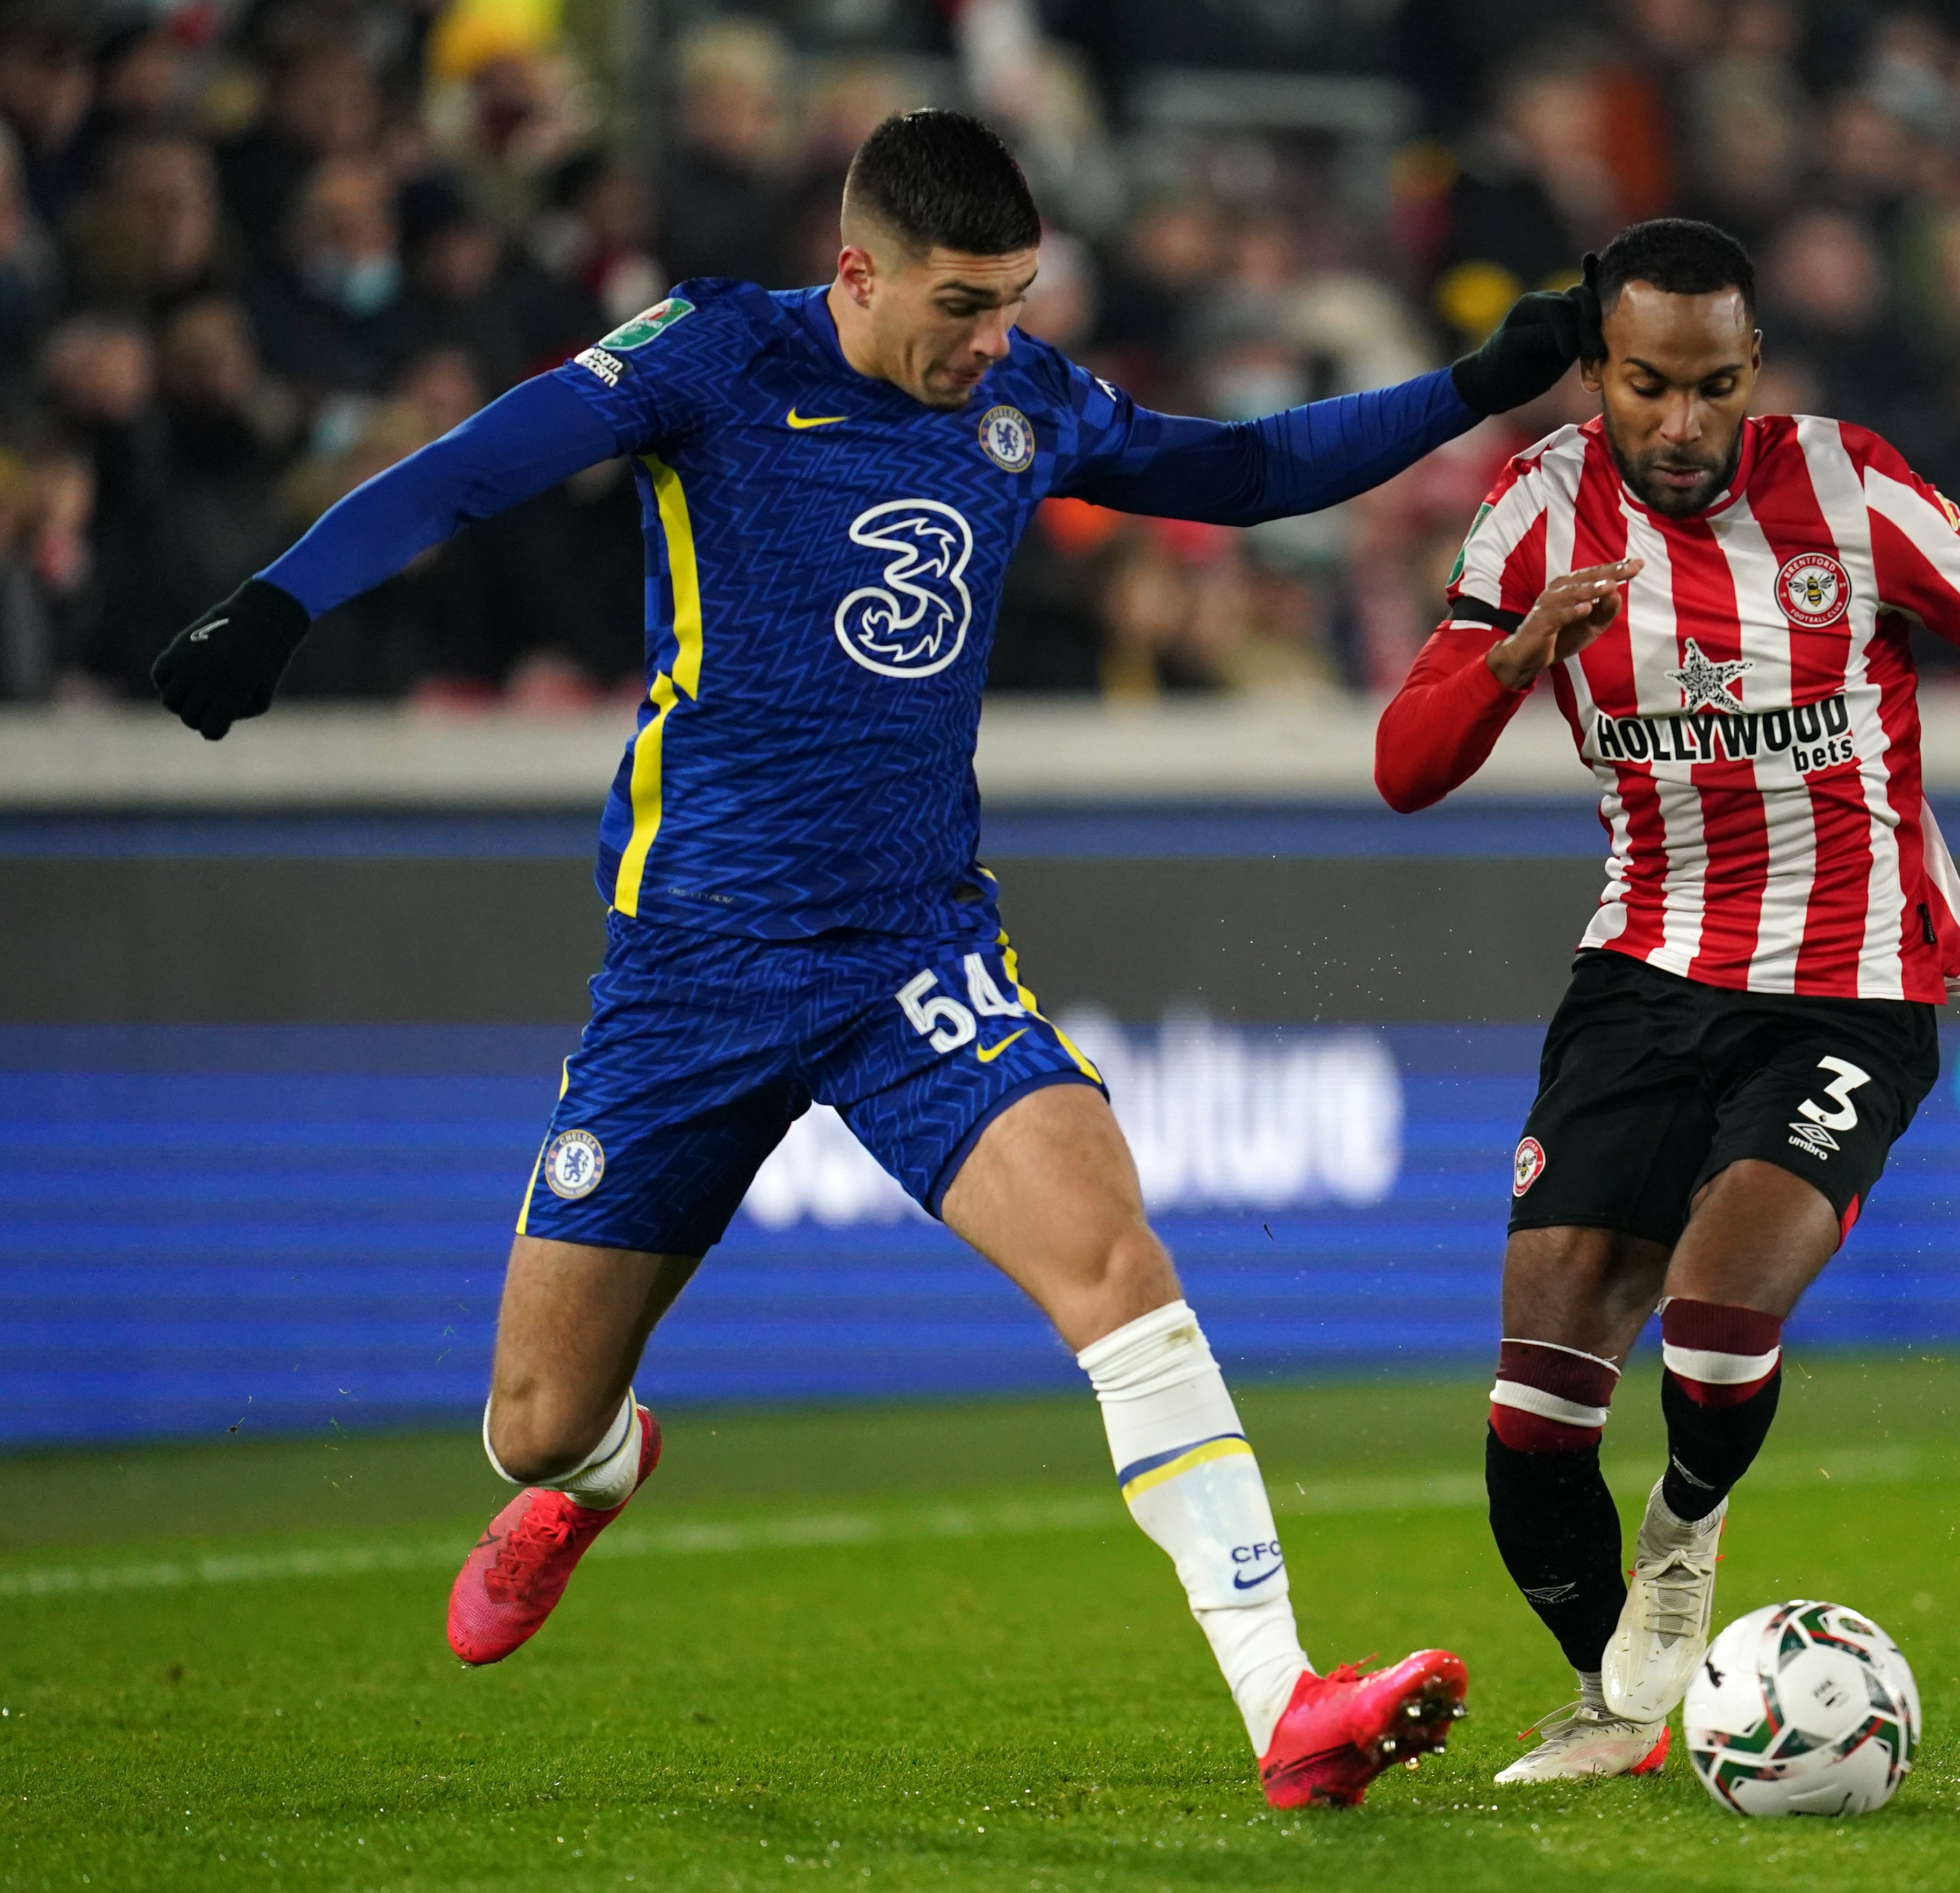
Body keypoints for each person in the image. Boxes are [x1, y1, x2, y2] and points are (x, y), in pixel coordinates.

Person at [148, 109, 1595, 1811]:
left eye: (1015, 300)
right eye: (965, 303)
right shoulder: (711, 355)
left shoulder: (1025, 401)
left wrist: (1478, 379)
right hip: (691, 964)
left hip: (913, 951)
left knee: (1114, 1264)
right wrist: (279, 602)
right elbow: (481, 459)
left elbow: (1250, 470)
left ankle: (1288, 1702)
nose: (995, 339)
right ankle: (599, 1477)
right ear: (857, 271)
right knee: (535, 1420)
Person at [1372, 218, 1960, 1782]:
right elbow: (1406, 769)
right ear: (1595, 369)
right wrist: (1516, 654)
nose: (1680, 427)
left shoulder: (1854, 490)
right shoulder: (1531, 514)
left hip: (1850, 975)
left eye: (1711, 388)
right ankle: (1623, 1714)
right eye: (1644, 387)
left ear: (1751, 372)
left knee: (1712, 1313)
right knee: (1533, 1417)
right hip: (1637, 976)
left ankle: (1684, 1532)